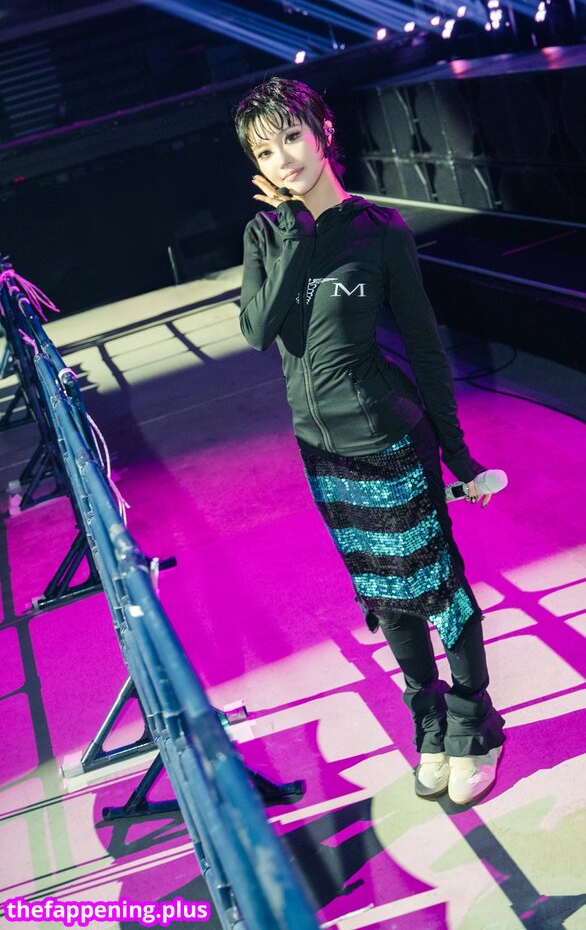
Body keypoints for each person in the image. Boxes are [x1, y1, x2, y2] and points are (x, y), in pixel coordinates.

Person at [234, 77, 505, 804]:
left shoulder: (379, 231)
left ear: (323, 132)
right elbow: (258, 330)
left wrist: (458, 454)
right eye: (266, 150)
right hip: (320, 452)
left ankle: (473, 726)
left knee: (435, 585)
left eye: (292, 136)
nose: (284, 158)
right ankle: (429, 726)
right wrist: (293, 230)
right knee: (385, 596)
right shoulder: (264, 235)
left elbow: (424, 349)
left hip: (390, 436)